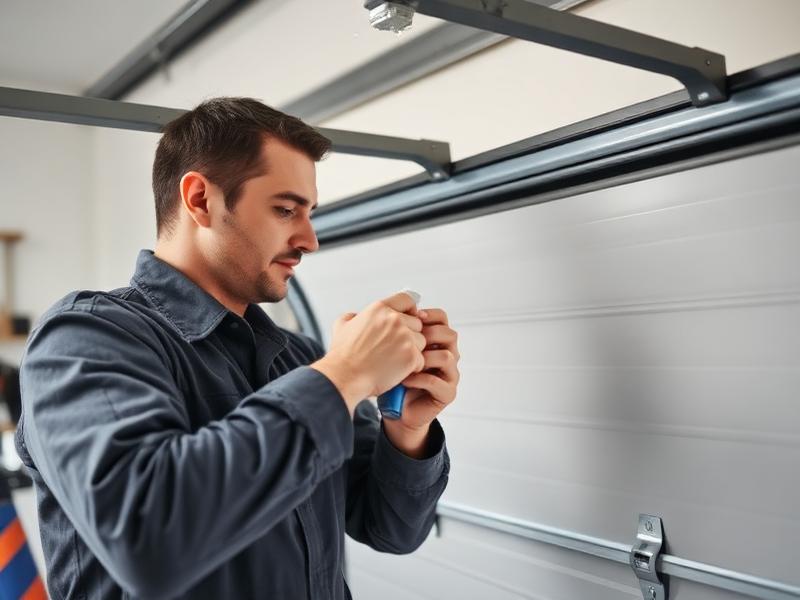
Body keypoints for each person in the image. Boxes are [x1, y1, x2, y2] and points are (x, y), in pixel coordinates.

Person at [16, 98, 460, 599]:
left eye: (308, 213)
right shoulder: (85, 339)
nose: (310, 239)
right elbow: (147, 540)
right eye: (285, 209)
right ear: (201, 199)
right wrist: (347, 373)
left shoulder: (299, 357)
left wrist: (407, 431)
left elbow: (390, 529)